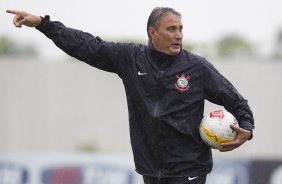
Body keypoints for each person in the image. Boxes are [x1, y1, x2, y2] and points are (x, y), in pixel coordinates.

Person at [6, 7, 254, 184]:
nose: (178, 35)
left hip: (189, 169)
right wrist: (43, 24)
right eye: (171, 29)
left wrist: (247, 128)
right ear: (152, 32)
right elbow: (85, 46)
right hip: (150, 170)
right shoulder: (130, 58)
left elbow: (236, 101)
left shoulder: (197, 68)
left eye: (180, 29)